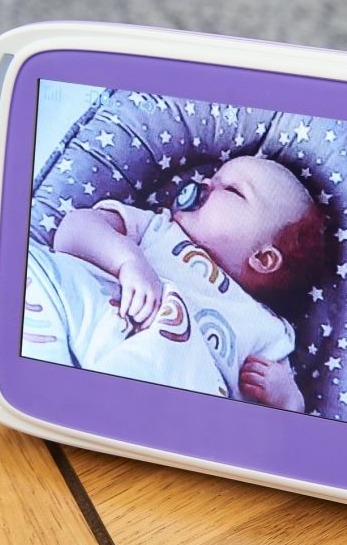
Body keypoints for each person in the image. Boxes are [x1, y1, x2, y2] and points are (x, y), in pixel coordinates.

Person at [49, 156, 326, 411]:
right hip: (89, 327)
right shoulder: (157, 229)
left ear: (263, 258)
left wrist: (289, 400)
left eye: (232, 190)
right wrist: (127, 261)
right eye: (212, 177)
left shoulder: (268, 330)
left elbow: (274, 431)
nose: (204, 182)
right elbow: (72, 232)